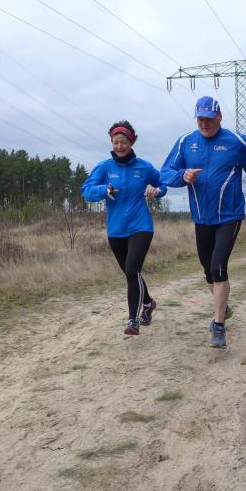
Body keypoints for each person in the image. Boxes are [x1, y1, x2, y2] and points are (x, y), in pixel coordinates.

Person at [161, 95, 246, 348]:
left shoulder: (237, 142)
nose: (204, 123)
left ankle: (218, 325)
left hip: (230, 215)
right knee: (208, 270)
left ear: (219, 116)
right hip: (201, 217)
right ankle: (223, 306)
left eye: (209, 119)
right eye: (200, 119)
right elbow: (165, 173)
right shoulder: (186, 142)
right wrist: (182, 175)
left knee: (218, 267)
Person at [82, 120, 166, 335]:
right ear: (111, 142)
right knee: (131, 274)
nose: (119, 146)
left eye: (124, 142)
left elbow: (163, 184)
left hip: (141, 226)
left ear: (132, 142)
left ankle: (133, 321)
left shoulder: (144, 167)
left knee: (131, 270)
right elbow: (86, 190)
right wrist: (104, 189)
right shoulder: (104, 167)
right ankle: (147, 303)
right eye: (115, 142)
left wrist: (156, 191)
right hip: (116, 229)